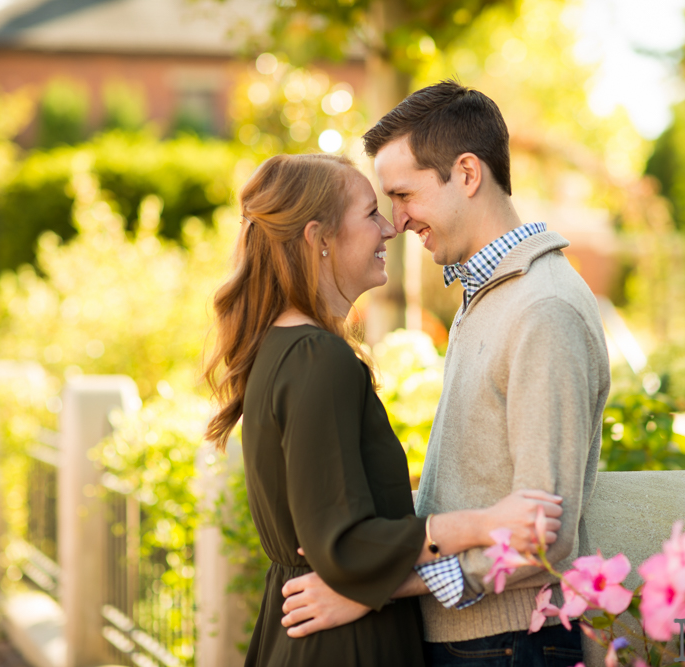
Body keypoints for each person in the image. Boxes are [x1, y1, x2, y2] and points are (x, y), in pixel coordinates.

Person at [281, 82, 611, 667]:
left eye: (404, 194)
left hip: (510, 647)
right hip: (482, 645)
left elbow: (542, 539)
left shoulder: (543, 310)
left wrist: (371, 586)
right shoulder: (489, 294)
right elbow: (479, 484)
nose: (396, 220)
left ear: (465, 173)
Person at [202, 152, 567, 667]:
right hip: (344, 645)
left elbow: (334, 517)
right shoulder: (317, 359)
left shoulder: (282, 350)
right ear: (319, 238)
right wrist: (487, 523)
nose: (390, 229)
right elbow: (345, 544)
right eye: (371, 212)